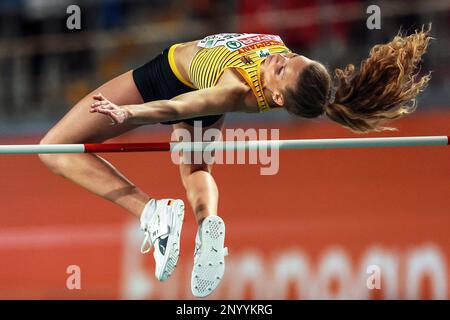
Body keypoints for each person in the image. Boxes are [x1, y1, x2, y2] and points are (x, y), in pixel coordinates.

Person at [39, 28, 432, 297]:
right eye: (293, 57)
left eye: (282, 69)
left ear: (276, 98)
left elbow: (183, 105)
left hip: (167, 80)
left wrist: (131, 113)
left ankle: (150, 212)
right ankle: (210, 223)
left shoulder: (234, 86)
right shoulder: (278, 47)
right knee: (195, 169)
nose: (282, 58)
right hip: (191, 85)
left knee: (53, 148)